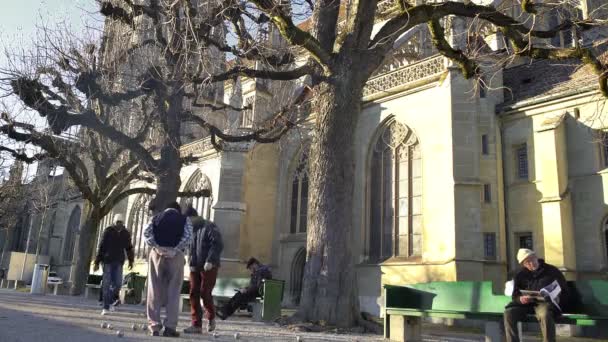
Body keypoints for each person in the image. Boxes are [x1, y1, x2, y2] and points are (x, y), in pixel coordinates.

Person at [144, 201, 192, 337]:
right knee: (173, 292)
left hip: (156, 255)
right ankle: (170, 327)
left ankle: (154, 326)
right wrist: (176, 249)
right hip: (175, 256)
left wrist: (157, 247)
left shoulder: (155, 218)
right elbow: (188, 237)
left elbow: (146, 234)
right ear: (178, 210)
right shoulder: (184, 219)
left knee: (154, 290)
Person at [504, 248, 569, 342]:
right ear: (523, 264)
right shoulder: (520, 275)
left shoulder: (551, 271)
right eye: (527, 262)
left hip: (545, 304)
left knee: (544, 314)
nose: (531, 263)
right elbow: (515, 295)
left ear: (536, 257)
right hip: (527, 305)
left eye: (532, 259)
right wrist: (520, 299)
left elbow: (564, 289)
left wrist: (555, 297)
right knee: (509, 313)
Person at [183, 207, 224, 334]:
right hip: (194, 266)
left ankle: (211, 316)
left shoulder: (209, 226)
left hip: (209, 265)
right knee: (193, 293)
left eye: (188, 220)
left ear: (194, 217)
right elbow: (187, 245)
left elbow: (217, 243)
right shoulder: (190, 229)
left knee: (204, 292)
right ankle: (196, 325)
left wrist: (210, 260)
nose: (187, 223)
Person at [94, 213, 134, 315]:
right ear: (114, 222)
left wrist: (131, 260)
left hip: (119, 261)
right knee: (106, 284)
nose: (119, 225)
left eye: (120, 223)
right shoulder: (108, 231)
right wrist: (97, 262)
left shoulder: (125, 233)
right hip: (107, 261)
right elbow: (102, 247)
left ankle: (110, 300)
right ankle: (105, 306)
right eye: (117, 222)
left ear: (123, 223)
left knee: (118, 284)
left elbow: (129, 248)